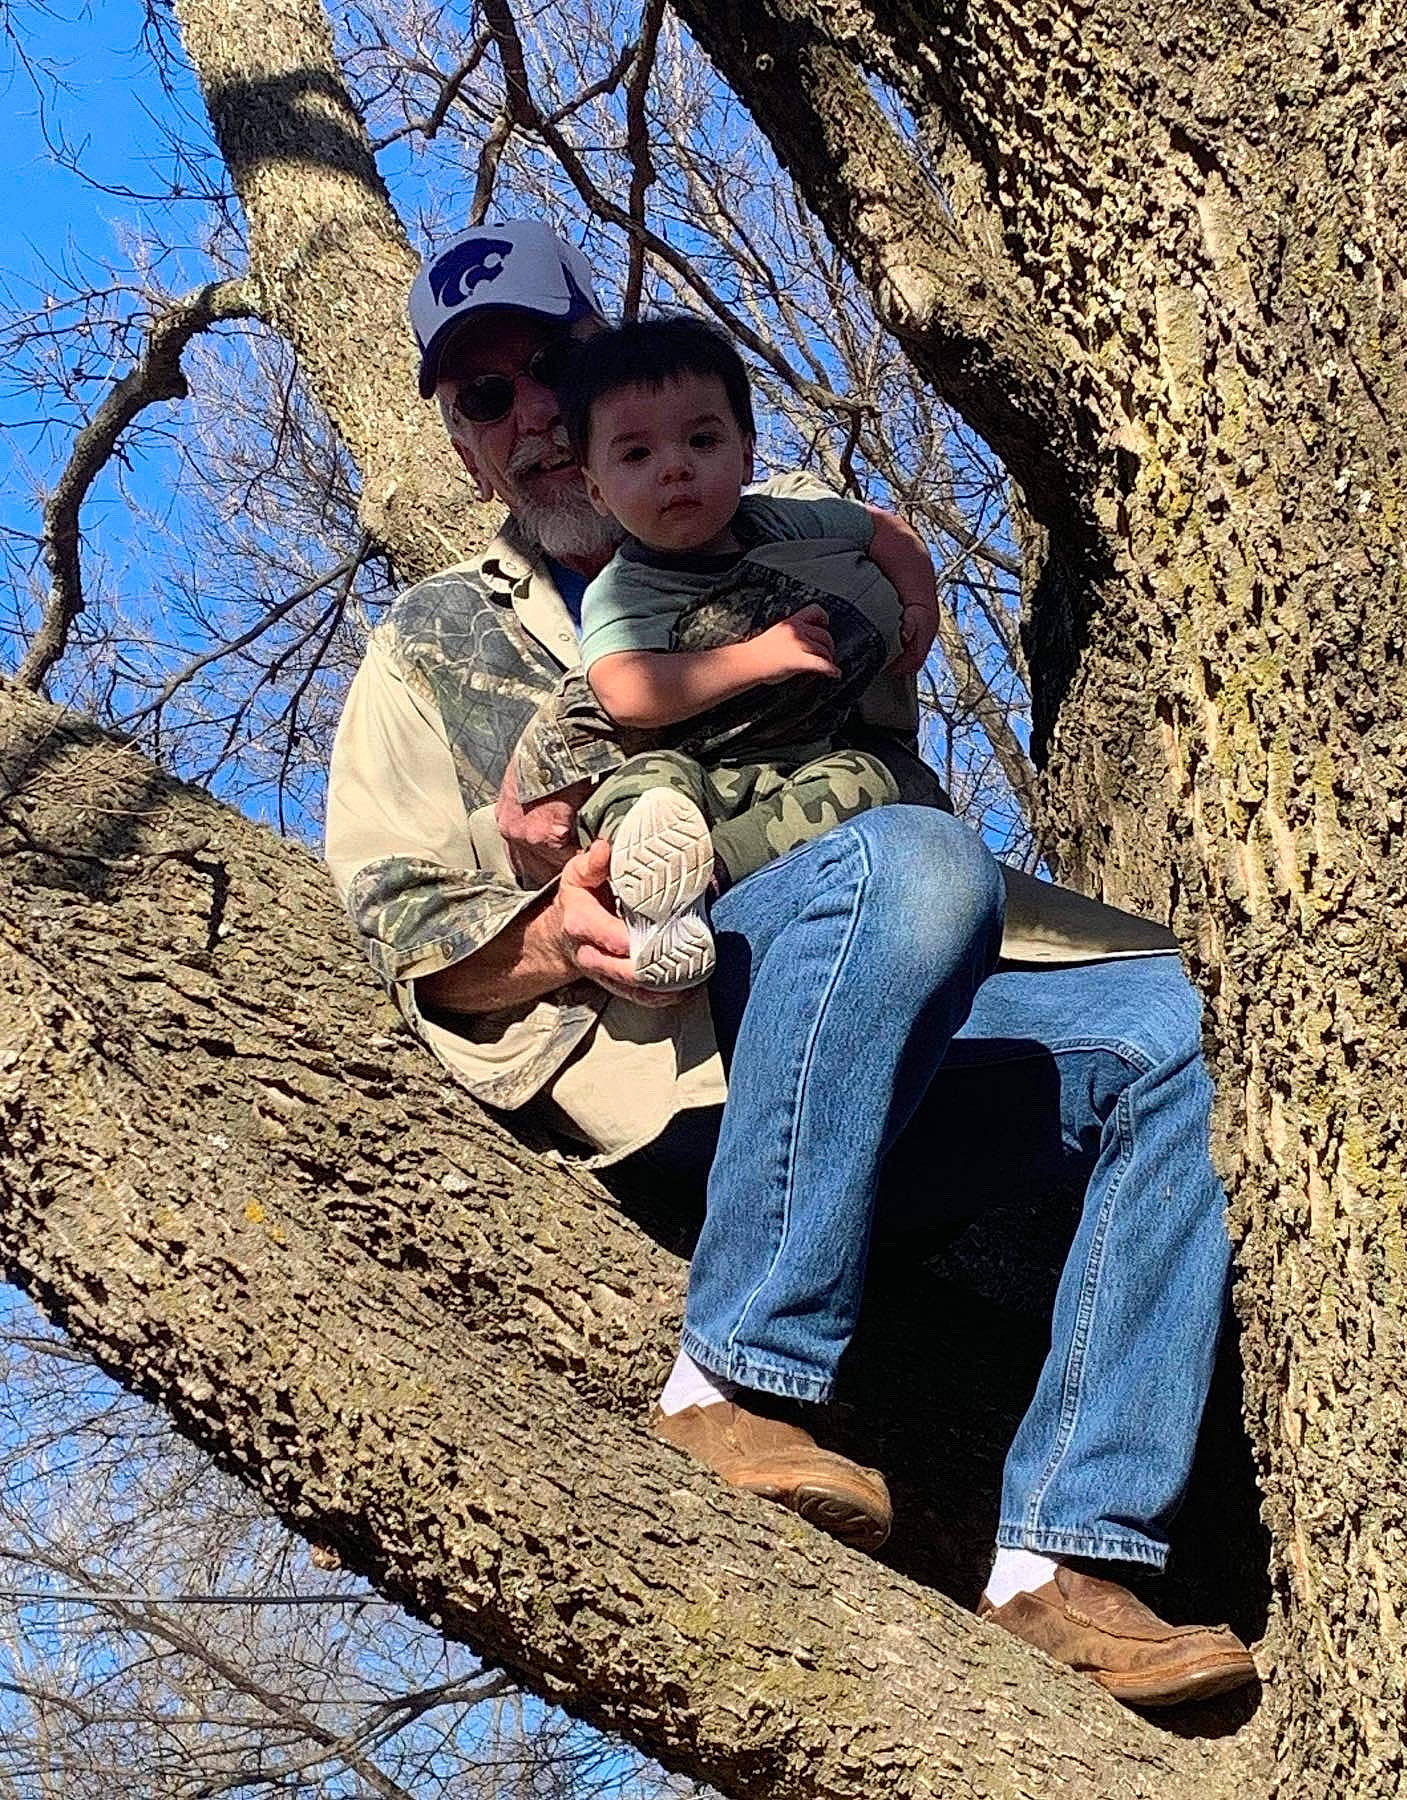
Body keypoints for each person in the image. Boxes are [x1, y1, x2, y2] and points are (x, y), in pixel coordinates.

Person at [325, 218, 1258, 1708]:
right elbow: (404, 928)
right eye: (485, 400)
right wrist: (551, 933)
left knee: (1186, 1028)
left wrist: (871, 562)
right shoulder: (431, 646)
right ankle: (733, 1382)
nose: (535, 418)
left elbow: (898, 587)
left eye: (551, 367)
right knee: (917, 859)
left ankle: (1069, 1555)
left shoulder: (776, 524)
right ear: (461, 447)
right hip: (693, 1055)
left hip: (908, 1018)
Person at [505, 310, 938, 989]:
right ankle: (652, 902)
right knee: (647, 790)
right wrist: (760, 656)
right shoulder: (626, 587)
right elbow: (624, 688)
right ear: (596, 489)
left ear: (746, 451)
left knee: (866, 778)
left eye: (701, 440)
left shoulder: (783, 517)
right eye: (637, 456)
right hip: (699, 775)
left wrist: (918, 603)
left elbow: (884, 532)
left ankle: (704, 878)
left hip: (803, 769)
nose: (675, 469)